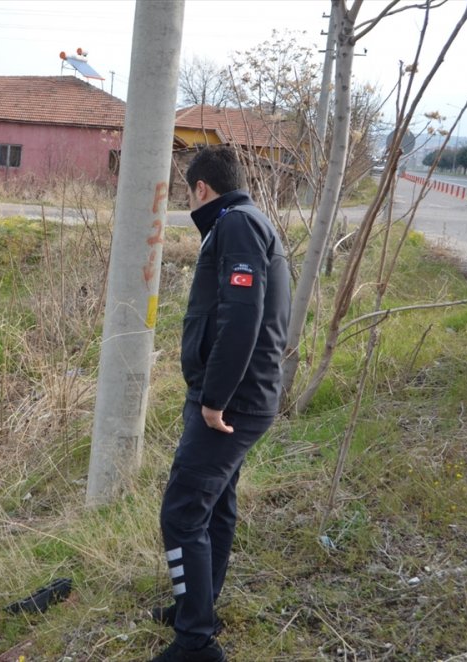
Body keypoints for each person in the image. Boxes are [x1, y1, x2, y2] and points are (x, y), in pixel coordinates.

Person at [150, 146, 290, 662]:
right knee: (214, 507)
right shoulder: (244, 222)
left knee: (182, 512)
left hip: (232, 401)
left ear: (202, 188)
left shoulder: (235, 225)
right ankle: (197, 607)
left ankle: (196, 642)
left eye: (189, 193)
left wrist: (214, 400)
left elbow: (242, 317)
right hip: (239, 396)